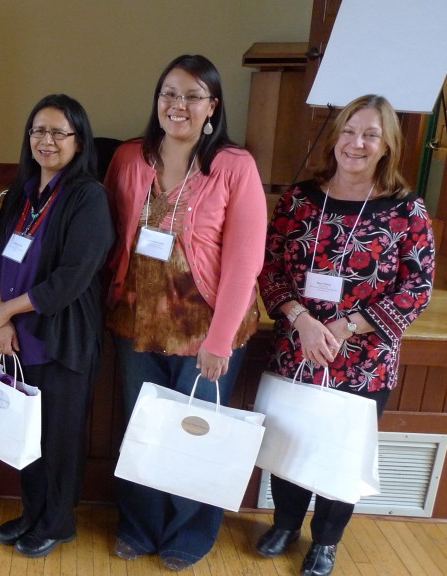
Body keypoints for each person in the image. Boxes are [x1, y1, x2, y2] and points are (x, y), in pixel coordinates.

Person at [255, 94, 435, 576]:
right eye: (350, 131)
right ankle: (286, 523)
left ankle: (327, 540)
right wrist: (301, 319)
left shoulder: (406, 210)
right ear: (335, 137)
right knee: (291, 440)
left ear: (387, 146)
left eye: (370, 134)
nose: (356, 143)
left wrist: (346, 325)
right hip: (298, 345)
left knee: (340, 451)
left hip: (365, 357)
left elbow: (416, 289)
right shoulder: (298, 200)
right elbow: (268, 269)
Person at [103, 54, 267, 570]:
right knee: (141, 427)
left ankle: (191, 531)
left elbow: (246, 258)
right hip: (137, 321)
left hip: (207, 328)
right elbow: (108, 237)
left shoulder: (233, 166)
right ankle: (139, 523)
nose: (179, 105)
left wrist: (219, 341)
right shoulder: (130, 158)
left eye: (193, 96)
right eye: (169, 94)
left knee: (197, 432)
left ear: (212, 106)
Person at [0, 94, 114, 558]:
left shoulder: (88, 197)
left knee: (59, 438)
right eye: (39, 130)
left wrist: (8, 311)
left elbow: (71, 279)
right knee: (26, 432)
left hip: (63, 338)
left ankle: (58, 523)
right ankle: (32, 513)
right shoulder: (19, 192)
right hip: (17, 335)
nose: (47, 140)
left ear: (78, 142)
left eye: (59, 132)